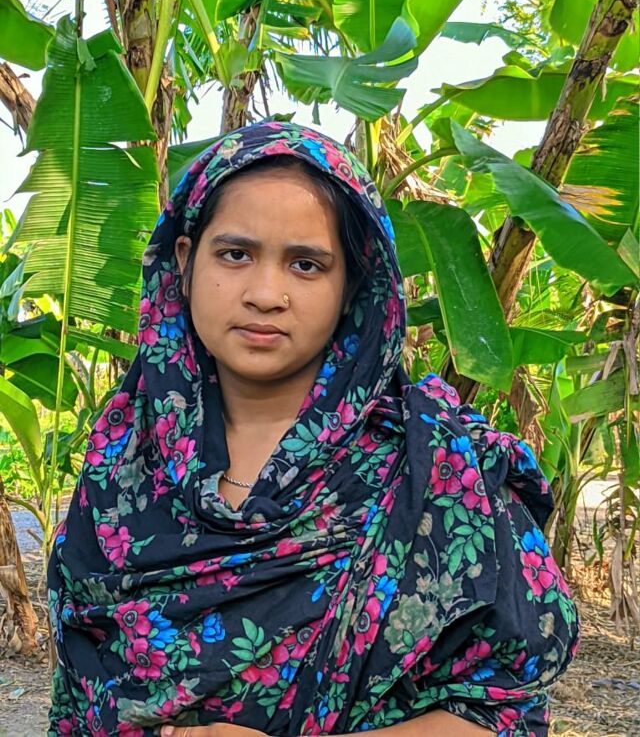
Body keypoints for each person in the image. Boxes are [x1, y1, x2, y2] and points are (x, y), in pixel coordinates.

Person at [47, 121, 580, 737]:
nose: (265, 293)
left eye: (305, 264)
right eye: (236, 254)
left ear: (351, 283)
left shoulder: (438, 469)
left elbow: (502, 711)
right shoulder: (123, 461)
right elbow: (81, 695)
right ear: (186, 261)